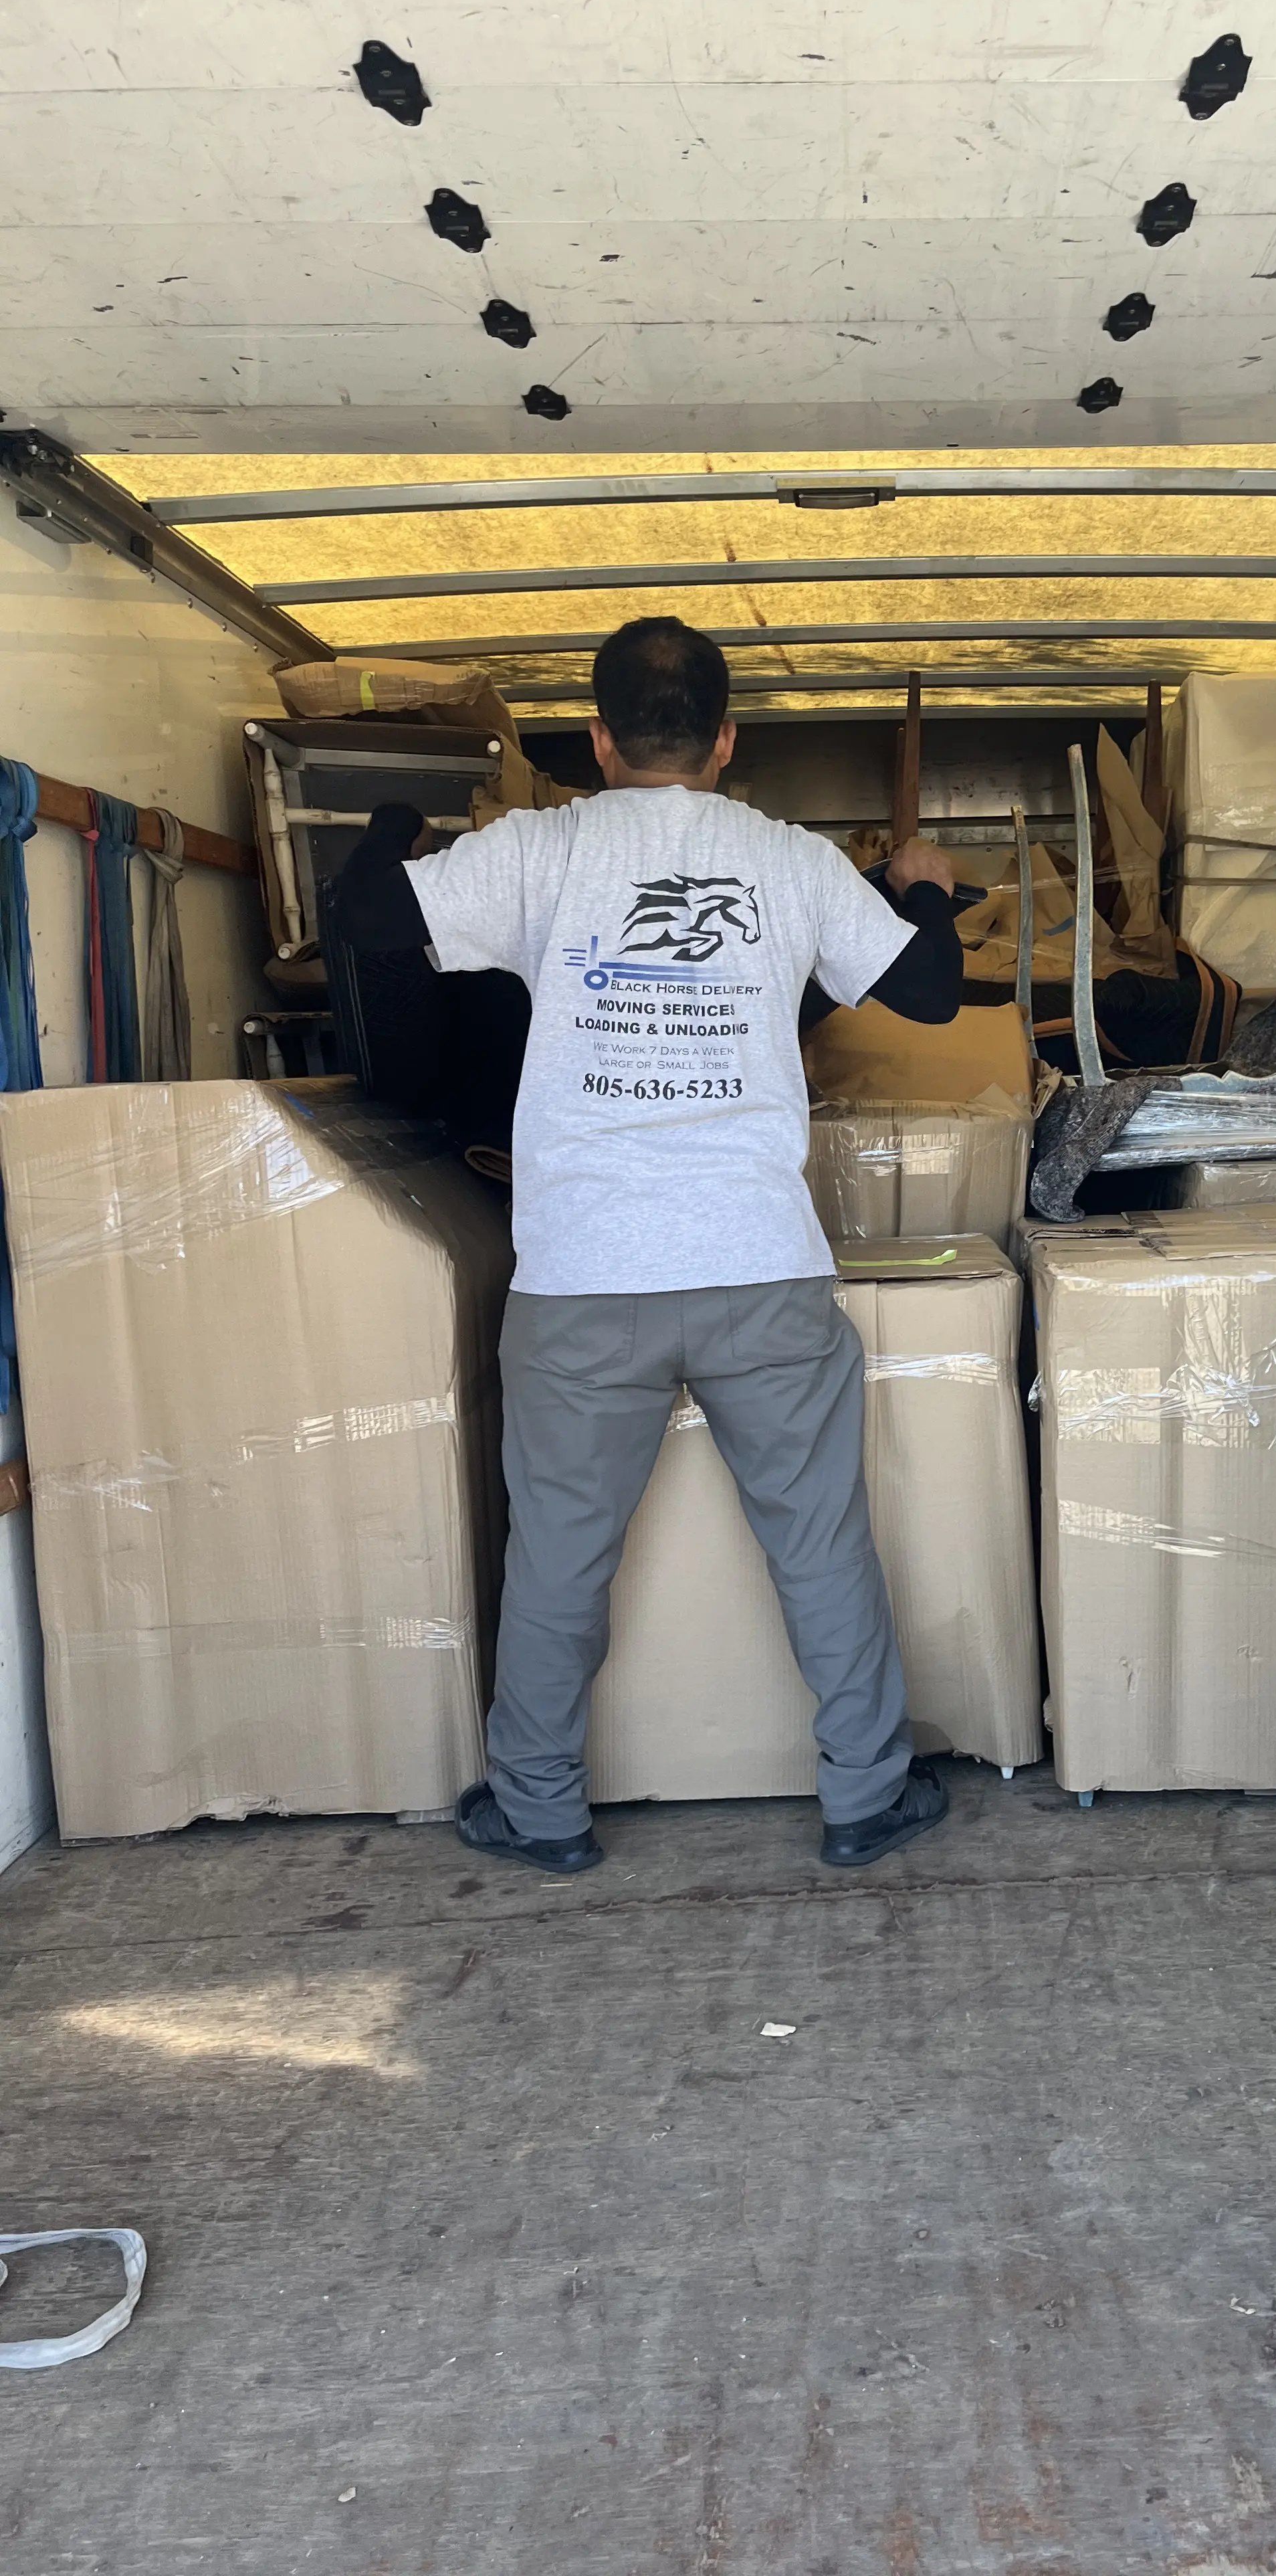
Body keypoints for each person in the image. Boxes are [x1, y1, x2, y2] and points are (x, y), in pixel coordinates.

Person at [334, 616, 964, 1878]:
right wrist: (923, 883)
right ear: (726, 741)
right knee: (820, 1544)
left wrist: (396, 826)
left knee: (560, 1559)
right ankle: (865, 1797)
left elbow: (362, 922)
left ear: (598, 740)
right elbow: (936, 992)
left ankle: (539, 1811)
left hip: (582, 1275)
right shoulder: (788, 860)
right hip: (758, 1266)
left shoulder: (540, 849)